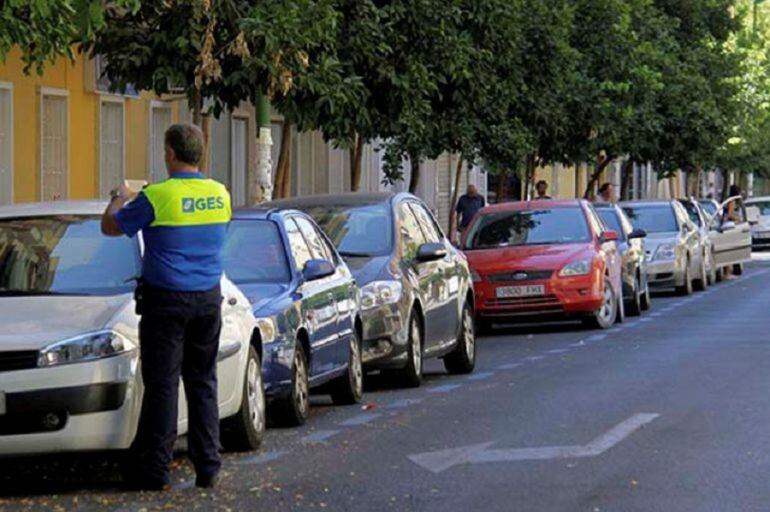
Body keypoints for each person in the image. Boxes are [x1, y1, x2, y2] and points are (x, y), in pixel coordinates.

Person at [101, 123, 232, 491]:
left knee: (162, 385)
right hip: (208, 298)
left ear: (170, 153)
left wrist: (120, 195)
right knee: (203, 380)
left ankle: (156, 469)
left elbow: (110, 227)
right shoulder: (221, 194)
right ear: (200, 154)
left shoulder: (156, 196)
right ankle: (208, 466)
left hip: (166, 301)